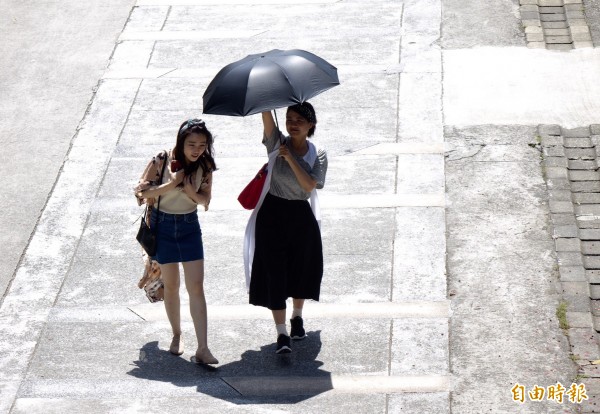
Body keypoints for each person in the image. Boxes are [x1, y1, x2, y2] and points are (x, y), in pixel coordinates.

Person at [245, 102, 328, 354]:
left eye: (299, 121)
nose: (292, 124)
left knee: (301, 268)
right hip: (272, 214)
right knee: (274, 273)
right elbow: (267, 120)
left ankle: (297, 317)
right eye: (289, 119)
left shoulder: (318, 154)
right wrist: (265, 99)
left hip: (301, 215)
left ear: (310, 125)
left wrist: (290, 157)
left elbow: (309, 186)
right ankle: (282, 333)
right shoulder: (276, 144)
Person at [134, 119, 218, 365]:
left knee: (197, 287)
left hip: (190, 226)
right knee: (171, 286)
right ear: (181, 142)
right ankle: (177, 335)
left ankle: (203, 348)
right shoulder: (162, 160)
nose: (196, 150)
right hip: (164, 226)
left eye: (202, 145)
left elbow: (204, 200)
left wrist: (190, 191)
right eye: (191, 144)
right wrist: (172, 184)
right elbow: (141, 193)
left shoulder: (206, 164)